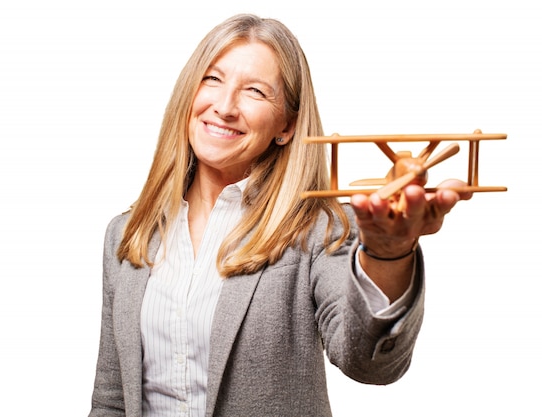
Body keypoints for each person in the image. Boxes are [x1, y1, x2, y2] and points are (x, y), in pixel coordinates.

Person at [88, 13, 471, 417]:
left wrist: (389, 254)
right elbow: (112, 398)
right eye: (212, 80)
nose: (224, 106)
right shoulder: (127, 234)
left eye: (254, 91)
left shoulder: (320, 230)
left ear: (286, 126)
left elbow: (371, 364)